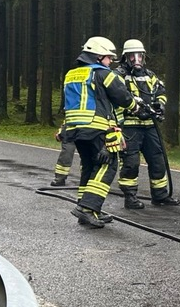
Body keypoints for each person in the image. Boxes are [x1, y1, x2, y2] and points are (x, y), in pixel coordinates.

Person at [61, 36, 143, 228]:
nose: (110, 63)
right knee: (108, 164)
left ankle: (87, 209)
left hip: (75, 129)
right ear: (98, 57)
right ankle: (88, 209)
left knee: (89, 166)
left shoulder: (71, 74)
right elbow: (121, 95)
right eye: (108, 58)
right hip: (95, 126)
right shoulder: (102, 73)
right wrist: (137, 108)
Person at [114, 39, 178, 208]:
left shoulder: (150, 75)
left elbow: (161, 91)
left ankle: (160, 195)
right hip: (129, 127)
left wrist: (160, 104)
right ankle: (130, 197)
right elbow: (118, 98)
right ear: (125, 58)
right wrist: (134, 109)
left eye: (139, 56)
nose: (136, 60)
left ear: (144, 57)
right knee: (130, 162)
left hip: (150, 126)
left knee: (158, 160)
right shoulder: (118, 76)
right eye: (132, 57)